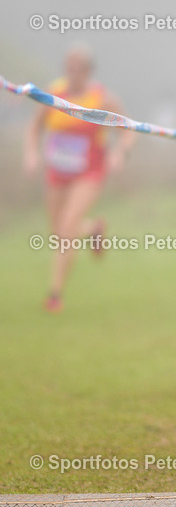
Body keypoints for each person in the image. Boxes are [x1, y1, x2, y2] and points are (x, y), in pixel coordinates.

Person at [23, 45, 134, 311]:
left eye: (78, 68)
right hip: (57, 172)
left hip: (89, 172)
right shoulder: (52, 93)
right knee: (58, 231)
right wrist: (31, 153)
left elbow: (129, 129)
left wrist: (120, 153)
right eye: (69, 68)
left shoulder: (102, 99)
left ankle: (55, 294)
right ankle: (92, 229)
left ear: (88, 71)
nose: (73, 73)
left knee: (66, 228)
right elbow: (35, 127)